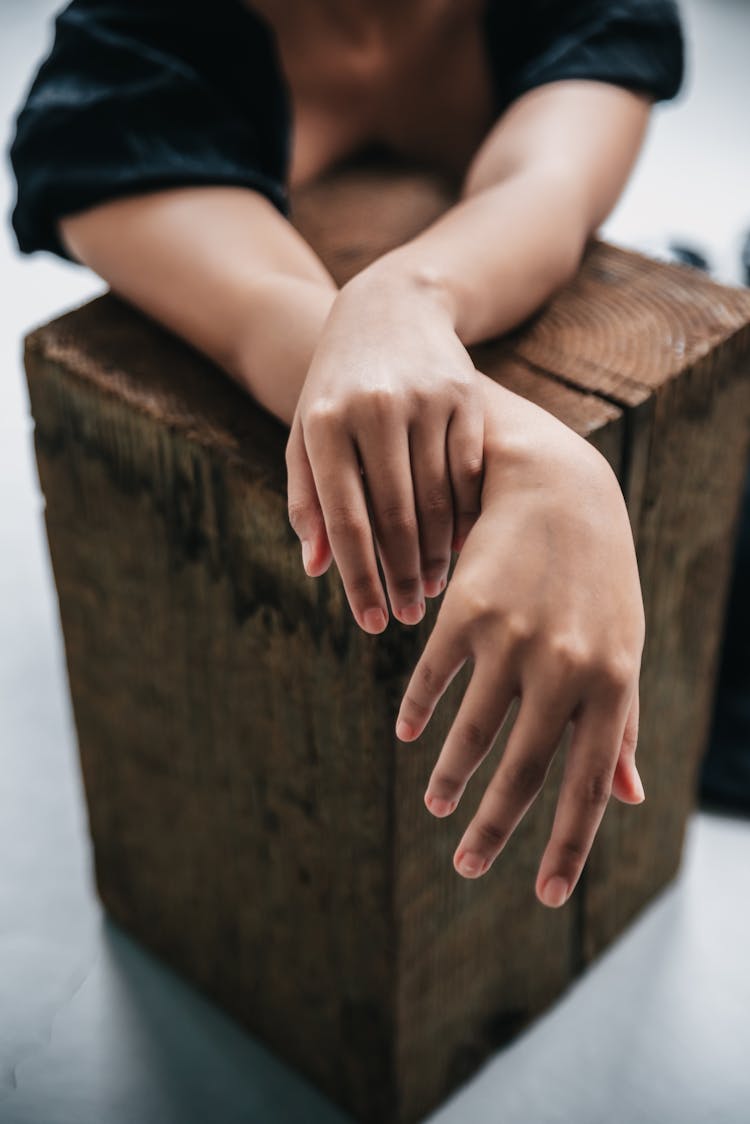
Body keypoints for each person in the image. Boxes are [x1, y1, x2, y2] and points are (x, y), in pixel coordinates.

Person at [9, 0, 684, 907]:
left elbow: (548, 190)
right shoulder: (124, 62)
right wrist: (538, 453)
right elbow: (263, 314)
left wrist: (411, 286)